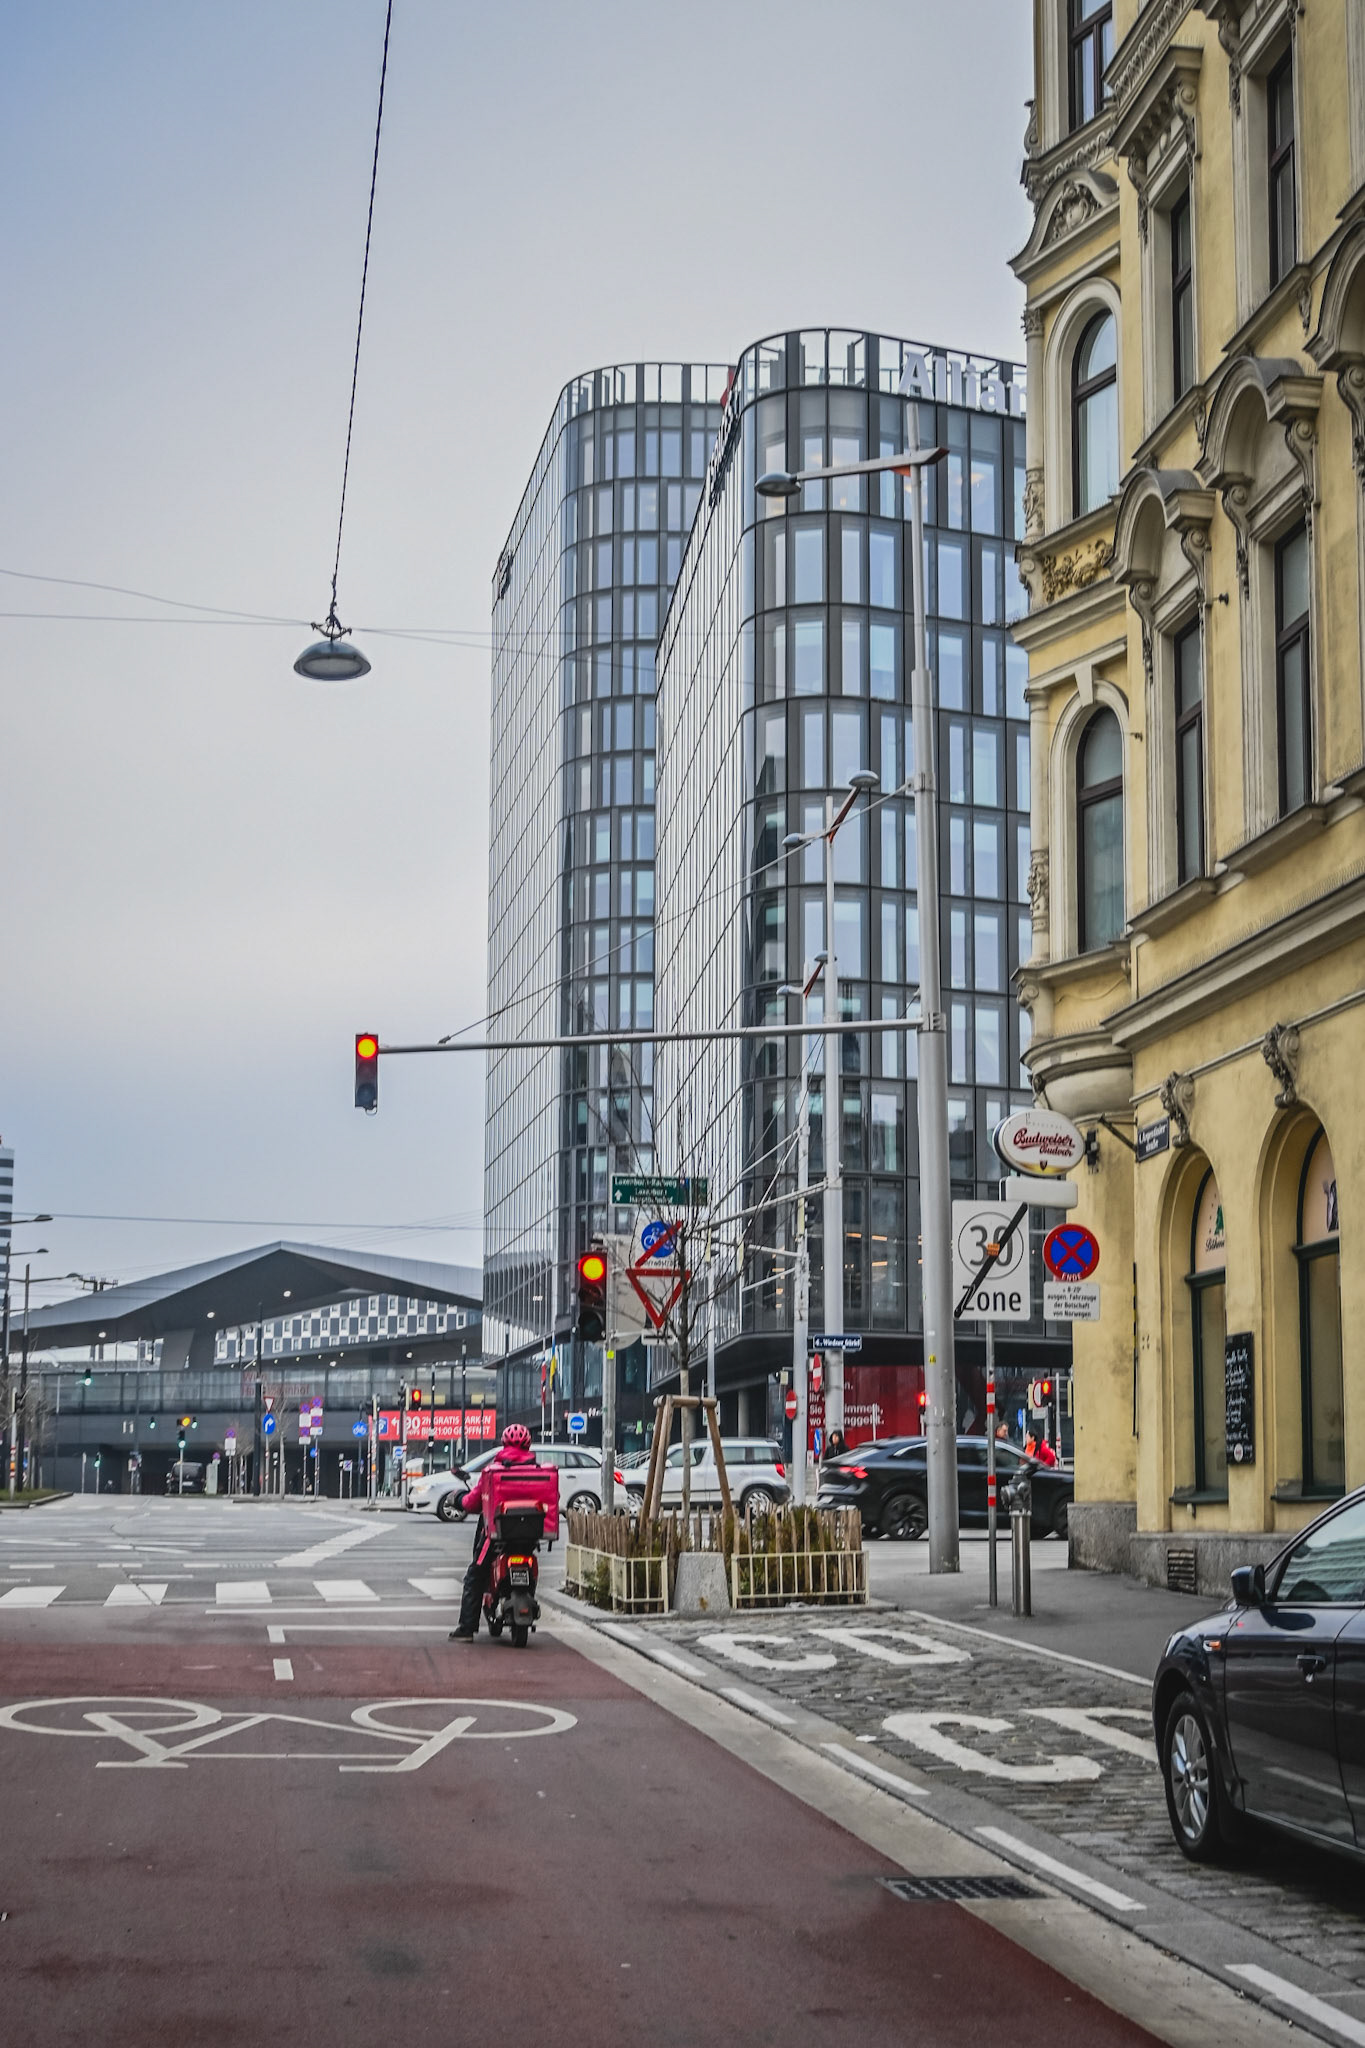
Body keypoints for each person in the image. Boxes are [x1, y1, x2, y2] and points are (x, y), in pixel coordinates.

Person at [449, 1423, 536, 1642]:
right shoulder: (539, 1471)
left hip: (497, 1536)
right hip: (530, 1535)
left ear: (503, 1444)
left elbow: (472, 1503)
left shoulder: (492, 1472)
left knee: (475, 1574)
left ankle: (466, 1629)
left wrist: (458, 1499)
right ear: (528, 1445)